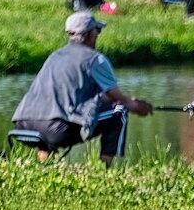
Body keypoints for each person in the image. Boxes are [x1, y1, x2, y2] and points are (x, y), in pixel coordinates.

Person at [12, 11, 153, 166]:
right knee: (119, 111)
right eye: (97, 31)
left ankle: (43, 166)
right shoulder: (95, 59)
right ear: (90, 35)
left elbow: (89, 97)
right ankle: (104, 168)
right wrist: (138, 105)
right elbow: (120, 100)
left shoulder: (55, 56)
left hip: (23, 125)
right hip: (55, 131)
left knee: (57, 116)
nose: (98, 35)